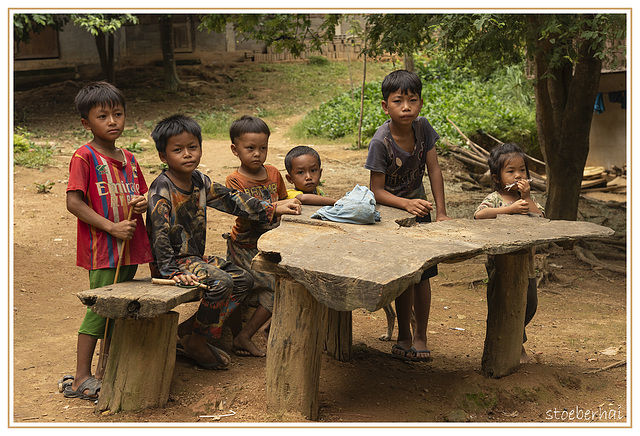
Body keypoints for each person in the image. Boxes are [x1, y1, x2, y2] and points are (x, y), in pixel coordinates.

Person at [146, 114, 300, 369]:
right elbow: (158, 235)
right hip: (173, 264)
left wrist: (272, 208)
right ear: (163, 156)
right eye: (178, 150)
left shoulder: (199, 181)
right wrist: (171, 271)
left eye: (192, 147)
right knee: (221, 281)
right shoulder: (161, 190)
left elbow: (232, 200)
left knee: (243, 279)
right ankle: (197, 341)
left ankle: (194, 334)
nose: (187, 154)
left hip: (193, 259)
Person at [63, 81, 153, 400]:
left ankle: (104, 373)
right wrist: (111, 228)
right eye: (103, 116)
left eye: (118, 114)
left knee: (118, 308)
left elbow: (140, 194)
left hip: (130, 247)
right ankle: (80, 377)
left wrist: (142, 201)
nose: (113, 121)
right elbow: (74, 202)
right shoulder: (84, 157)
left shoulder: (129, 158)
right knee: (99, 310)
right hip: (104, 250)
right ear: (87, 124)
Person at [365, 69, 450, 362]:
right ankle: (403, 335)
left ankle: (421, 335)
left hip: (421, 210)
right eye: (398, 101)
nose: (406, 107)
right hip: (391, 217)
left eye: (412, 101)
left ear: (421, 104)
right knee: (404, 277)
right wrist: (405, 205)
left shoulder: (423, 129)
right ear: (385, 106)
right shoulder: (380, 142)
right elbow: (376, 190)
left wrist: (440, 213)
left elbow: (435, 170)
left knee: (423, 275)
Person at [224, 115, 299, 357]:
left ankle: (241, 336)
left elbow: (284, 199)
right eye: (250, 148)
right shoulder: (234, 181)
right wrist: (273, 209)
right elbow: (245, 214)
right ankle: (239, 336)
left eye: (263, 148)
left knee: (276, 288)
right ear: (235, 150)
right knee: (265, 289)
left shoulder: (274, 173)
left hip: (271, 245)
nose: (257, 154)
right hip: (244, 246)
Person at [474, 142, 544, 363]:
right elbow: (479, 215)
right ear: (497, 178)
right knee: (502, 304)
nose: (518, 175)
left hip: (526, 264)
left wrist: (528, 198)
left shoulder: (528, 200)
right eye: (510, 171)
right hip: (500, 263)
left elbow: (542, 219)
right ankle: (514, 346)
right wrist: (509, 210)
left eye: (522, 170)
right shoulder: (495, 200)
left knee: (529, 304)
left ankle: (517, 338)